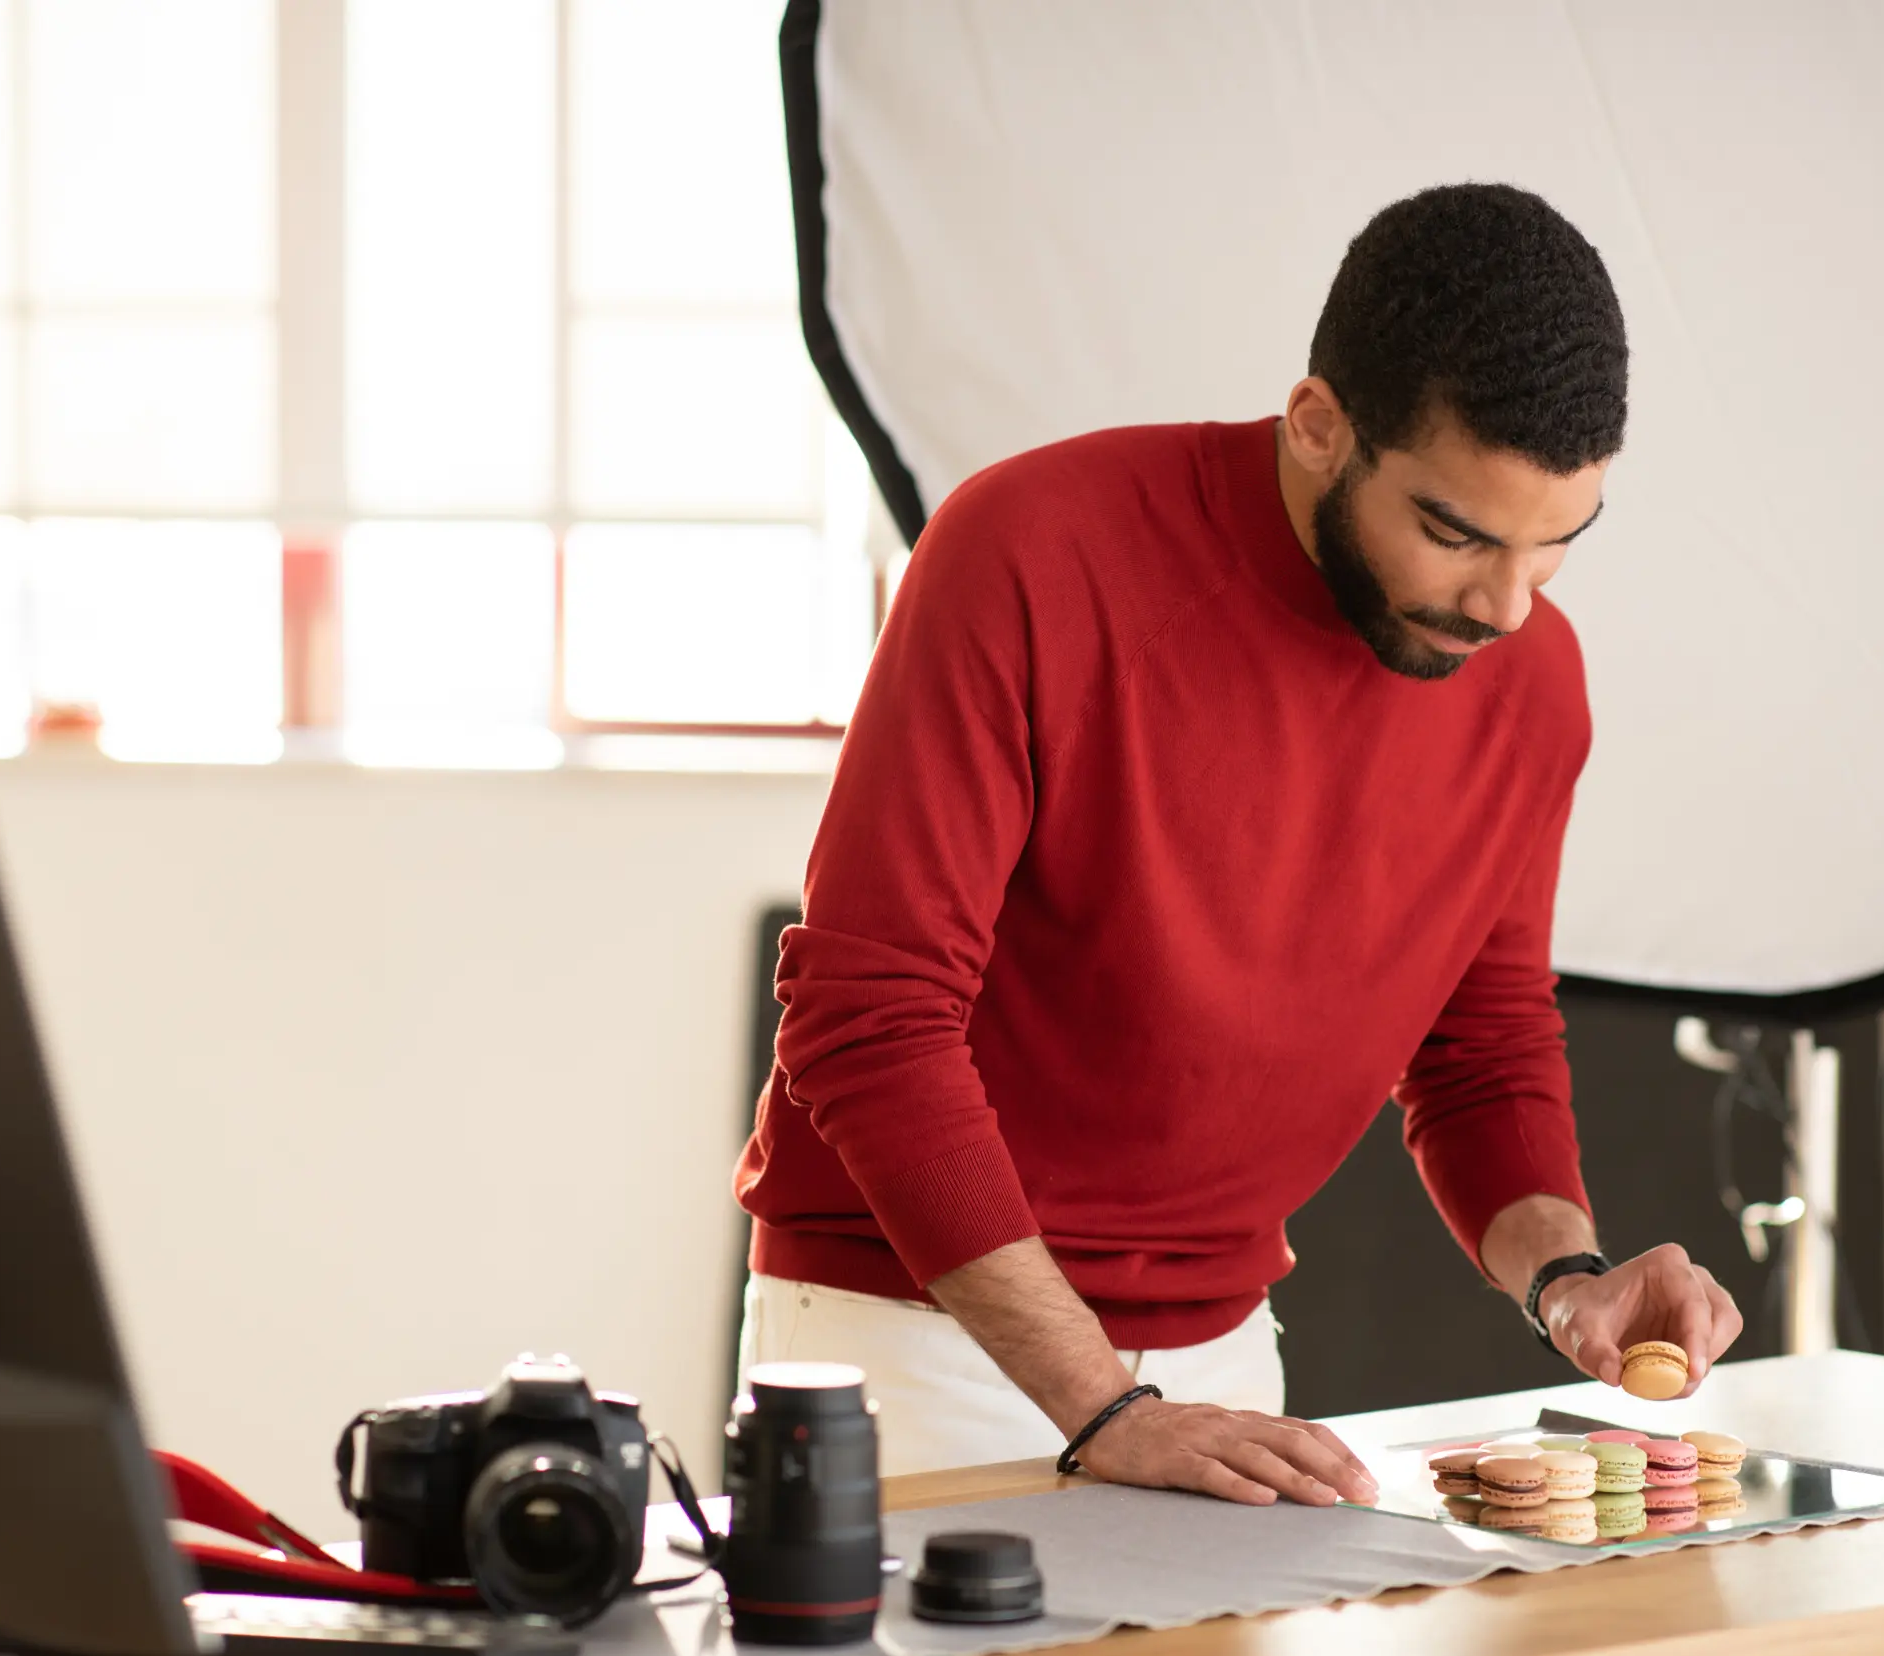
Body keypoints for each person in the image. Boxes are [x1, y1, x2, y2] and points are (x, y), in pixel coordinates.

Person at [733, 183, 1745, 1503]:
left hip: (1221, 1367)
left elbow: (1480, 1049)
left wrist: (1568, 1280)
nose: (1504, 605)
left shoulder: (1532, 680)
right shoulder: (1030, 553)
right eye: (1454, 534)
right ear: (1322, 426)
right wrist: (1104, 1407)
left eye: (1553, 546)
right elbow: (868, 1023)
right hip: (915, 1343)